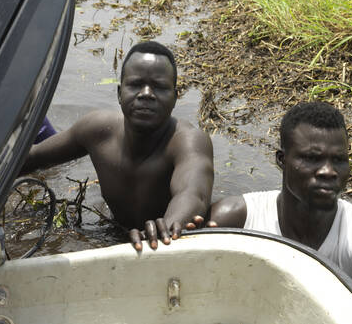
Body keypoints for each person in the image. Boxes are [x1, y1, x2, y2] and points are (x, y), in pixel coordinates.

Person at [188, 102, 352, 323]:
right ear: (282, 160)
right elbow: (185, 293)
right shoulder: (237, 218)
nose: (328, 171)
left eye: (339, 160)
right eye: (312, 158)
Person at [20, 40, 214, 251]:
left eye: (159, 87)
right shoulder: (97, 130)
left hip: (166, 240)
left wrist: (167, 229)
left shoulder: (188, 140)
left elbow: (193, 194)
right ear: (120, 93)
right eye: (136, 84)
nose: (147, 93)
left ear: (175, 98)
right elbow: (32, 158)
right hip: (117, 234)